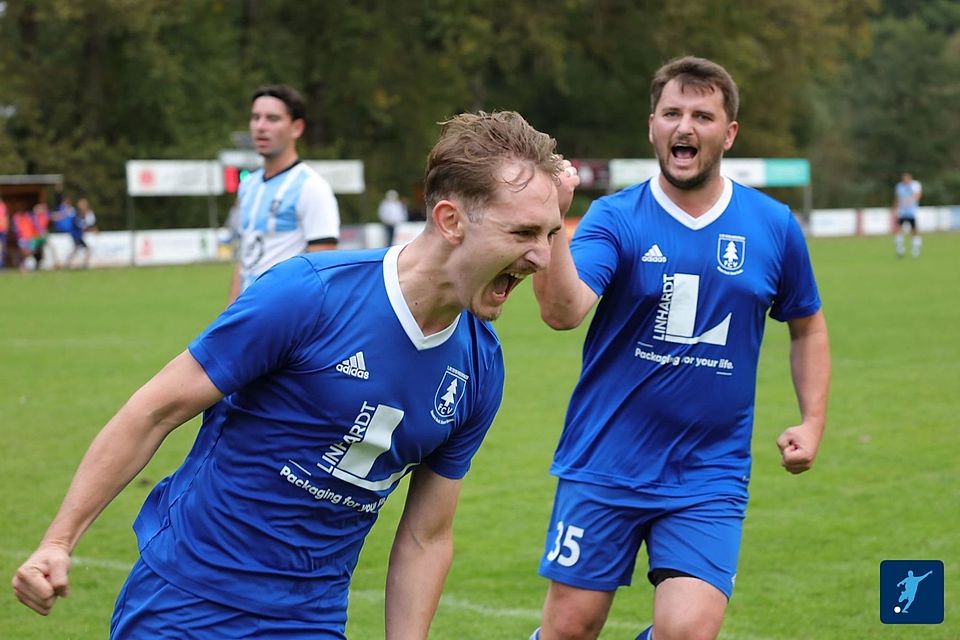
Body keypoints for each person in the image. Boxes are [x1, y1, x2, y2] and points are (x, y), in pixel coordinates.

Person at [12, 110, 576, 639]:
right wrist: (59, 542)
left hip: (312, 618)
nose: (543, 258)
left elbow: (427, 535)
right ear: (450, 220)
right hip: (187, 599)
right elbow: (154, 411)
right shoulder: (310, 293)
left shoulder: (481, 365)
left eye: (550, 234)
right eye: (524, 233)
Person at [528, 56, 831, 640]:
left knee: (689, 631)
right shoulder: (613, 219)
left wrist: (812, 420)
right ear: (652, 127)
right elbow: (561, 311)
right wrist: (552, 221)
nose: (684, 126)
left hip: (709, 471)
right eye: (672, 112)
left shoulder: (772, 225)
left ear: (729, 132)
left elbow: (808, 325)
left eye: (702, 115)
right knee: (571, 628)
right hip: (606, 461)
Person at [227, 84, 341, 304]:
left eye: (272, 118)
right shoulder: (248, 185)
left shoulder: (311, 187)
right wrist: (228, 316)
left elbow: (323, 270)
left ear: (296, 128)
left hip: (284, 319)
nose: (260, 126)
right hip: (246, 316)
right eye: (255, 117)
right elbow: (245, 257)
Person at [892, 171, 922, 258]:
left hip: (912, 212)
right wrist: (894, 208)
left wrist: (910, 200)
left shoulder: (915, 185)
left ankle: (915, 249)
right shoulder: (899, 186)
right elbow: (897, 198)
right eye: (903, 179)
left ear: (910, 178)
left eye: (906, 178)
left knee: (914, 230)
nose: (905, 180)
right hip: (902, 212)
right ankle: (900, 249)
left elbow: (918, 195)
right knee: (899, 230)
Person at [66, 197, 97, 268]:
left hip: (78, 235)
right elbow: (80, 225)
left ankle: (70, 263)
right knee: (85, 249)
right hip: (76, 235)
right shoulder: (77, 214)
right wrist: (89, 228)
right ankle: (83, 264)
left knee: (77, 249)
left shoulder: (82, 214)